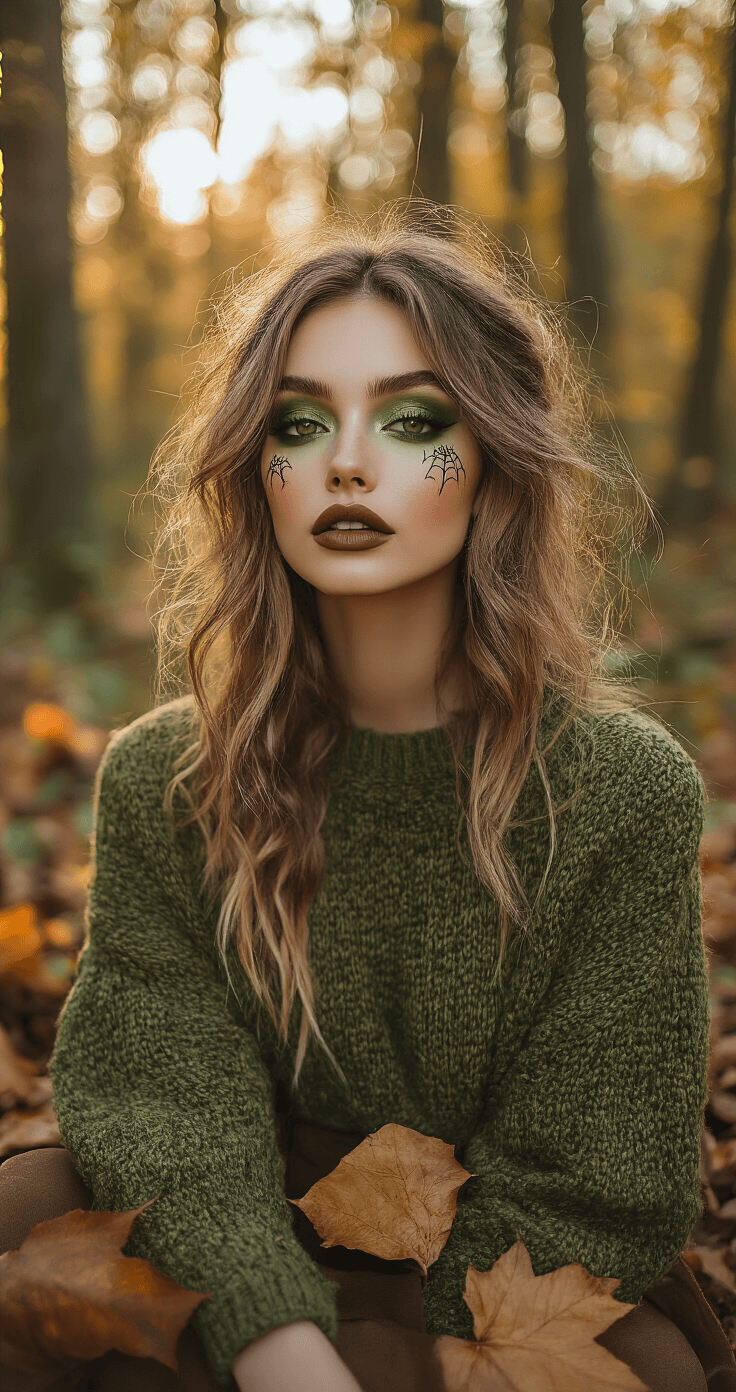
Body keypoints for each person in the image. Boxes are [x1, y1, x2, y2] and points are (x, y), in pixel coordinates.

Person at [1, 211, 729, 1392]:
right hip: (231, 1225)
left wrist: (414, 1353)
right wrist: (271, 1334)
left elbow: (596, 1175)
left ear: (494, 461)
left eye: (411, 421)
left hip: (488, 1267)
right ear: (256, 472)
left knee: (641, 1371)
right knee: (29, 1218)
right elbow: (159, 1096)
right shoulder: (165, 779)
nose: (346, 462)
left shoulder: (621, 790)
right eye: (298, 425)